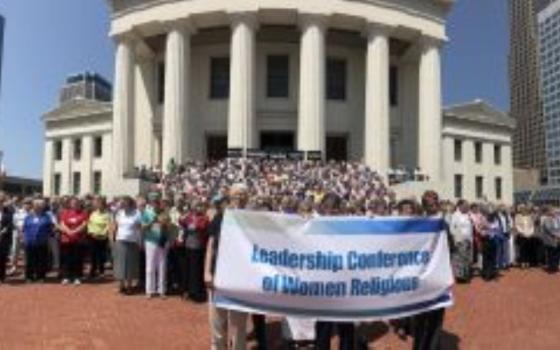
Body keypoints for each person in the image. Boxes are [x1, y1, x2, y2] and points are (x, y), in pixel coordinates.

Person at [205, 185, 250, 350]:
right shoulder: (220, 217)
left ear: (248, 197)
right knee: (217, 324)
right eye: (237, 194)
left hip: (241, 279)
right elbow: (211, 245)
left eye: (243, 194)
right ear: (230, 196)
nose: (240, 196)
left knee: (239, 325)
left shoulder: (251, 219)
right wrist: (207, 272)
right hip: (219, 276)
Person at [314, 193, 355, 350]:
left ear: (340, 210)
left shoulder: (350, 226)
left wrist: (371, 220)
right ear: (322, 208)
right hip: (323, 285)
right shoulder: (312, 225)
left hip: (345, 285)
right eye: (327, 207)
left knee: (346, 327)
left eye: (334, 208)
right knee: (323, 326)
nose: (331, 211)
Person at [412, 191, 448, 350]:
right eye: (429, 205)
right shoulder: (417, 224)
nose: (433, 207)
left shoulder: (443, 224)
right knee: (421, 319)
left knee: (436, 318)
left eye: (435, 203)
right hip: (421, 278)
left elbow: (450, 247)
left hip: (438, 277)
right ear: (424, 206)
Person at [180, 198, 210, 302]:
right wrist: (187, 217)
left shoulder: (204, 217)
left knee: (196, 271)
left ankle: (196, 293)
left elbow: (202, 226)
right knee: (187, 270)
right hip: (188, 246)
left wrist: (194, 225)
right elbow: (181, 221)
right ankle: (187, 290)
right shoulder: (189, 216)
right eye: (196, 206)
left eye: (199, 206)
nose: (197, 208)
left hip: (198, 247)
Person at [113, 196, 142, 295]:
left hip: (132, 241)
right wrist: (113, 240)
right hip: (120, 240)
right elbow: (115, 226)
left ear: (130, 204)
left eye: (124, 203)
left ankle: (129, 286)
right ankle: (121, 285)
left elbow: (139, 229)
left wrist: (139, 241)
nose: (123, 205)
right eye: (122, 204)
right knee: (120, 264)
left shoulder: (137, 213)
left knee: (130, 265)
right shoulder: (119, 213)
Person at [22, 199, 54, 282]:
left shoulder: (46, 217)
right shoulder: (28, 217)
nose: (38, 207)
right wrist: (23, 238)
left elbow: (50, 228)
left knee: (41, 260)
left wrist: (48, 236)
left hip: (42, 242)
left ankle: (41, 277)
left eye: (40, 205)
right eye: (36, 205)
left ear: (43, 207)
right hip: (29, 242)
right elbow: (24, 228)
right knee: (30, 260)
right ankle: (29, 276)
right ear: (33, 206)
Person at [143, 209, 172, 298]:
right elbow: (143, 227)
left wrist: (163, 222)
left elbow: (169, 226)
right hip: (150, 242)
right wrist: (152, 221)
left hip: (162, 242)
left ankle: (161, 290)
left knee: (162, 267)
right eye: (153, 201)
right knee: (150, 267)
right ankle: (149, 290)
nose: (155, 204)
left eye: (157, 201)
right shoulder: (146, 213)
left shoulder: (165, 213)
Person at [59, 197, 88, 285]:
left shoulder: (83, 213)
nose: (74, 204)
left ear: (79, 204)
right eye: (73, 203)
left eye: (76, 203)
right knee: (66, 259)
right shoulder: (65, 213)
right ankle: (66, 277)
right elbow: (62, 223)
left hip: (78, 240)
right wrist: (68, 231)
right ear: (70, 204)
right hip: (66, 240)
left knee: (77, 259)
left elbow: (84, 224)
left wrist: (74, 231)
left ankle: (77, 277)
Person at [87, 196, 112, 279]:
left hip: (102, 238)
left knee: (101, 256)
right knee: (93, 255)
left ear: (104, 205)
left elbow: (108, 226)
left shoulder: (107, 215)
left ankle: (101, 271)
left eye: (101, 205)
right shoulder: (93, 213)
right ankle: (92, 271)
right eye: (98, 204)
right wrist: (92, 233)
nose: (99, 206)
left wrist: (103, 234)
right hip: (93, 237)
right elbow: (90, 224)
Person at [449, 199, 473, 283]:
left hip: (468, 239)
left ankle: (465, 275)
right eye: (465, 205)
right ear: (460, 206)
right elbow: (452, 228)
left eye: (467, 205)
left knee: (466, 258)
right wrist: (455, 239)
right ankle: (460, 277)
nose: (467, 207)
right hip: (459, 240)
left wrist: (470, 239)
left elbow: (470, 227)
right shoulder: (455, 215)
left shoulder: (467, 215)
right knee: (459, 259)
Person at [482, 208, 500, 281]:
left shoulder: (496, 221)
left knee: (493, 257)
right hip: (486, 240)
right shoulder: (484, 220)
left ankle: (492, 273)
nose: (491, 216)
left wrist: (491, 229)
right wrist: (486, 231)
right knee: (486, 258)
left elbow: (497, 230)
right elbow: (481, 230)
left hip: (493, 240)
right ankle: (486, 274)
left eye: (492, 215)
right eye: (490, 215)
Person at [540, 207, 560, 273]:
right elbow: (549, 229)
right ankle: (551, 267)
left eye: (556, 212)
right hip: (550, 239)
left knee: (557, 253)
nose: (555, 213)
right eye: (553, 212)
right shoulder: (547, 219)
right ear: (550, 212)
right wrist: (556, 235)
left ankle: (556, 266)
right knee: (551, 254)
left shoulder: (557, 219)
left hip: (558, 238)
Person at [0, 197, 14, 283]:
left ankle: (2, 276)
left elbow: (10, 224)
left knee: (2, 257)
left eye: (1, 202)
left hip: (4, 237)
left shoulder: (8, 212)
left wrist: (4, 230)